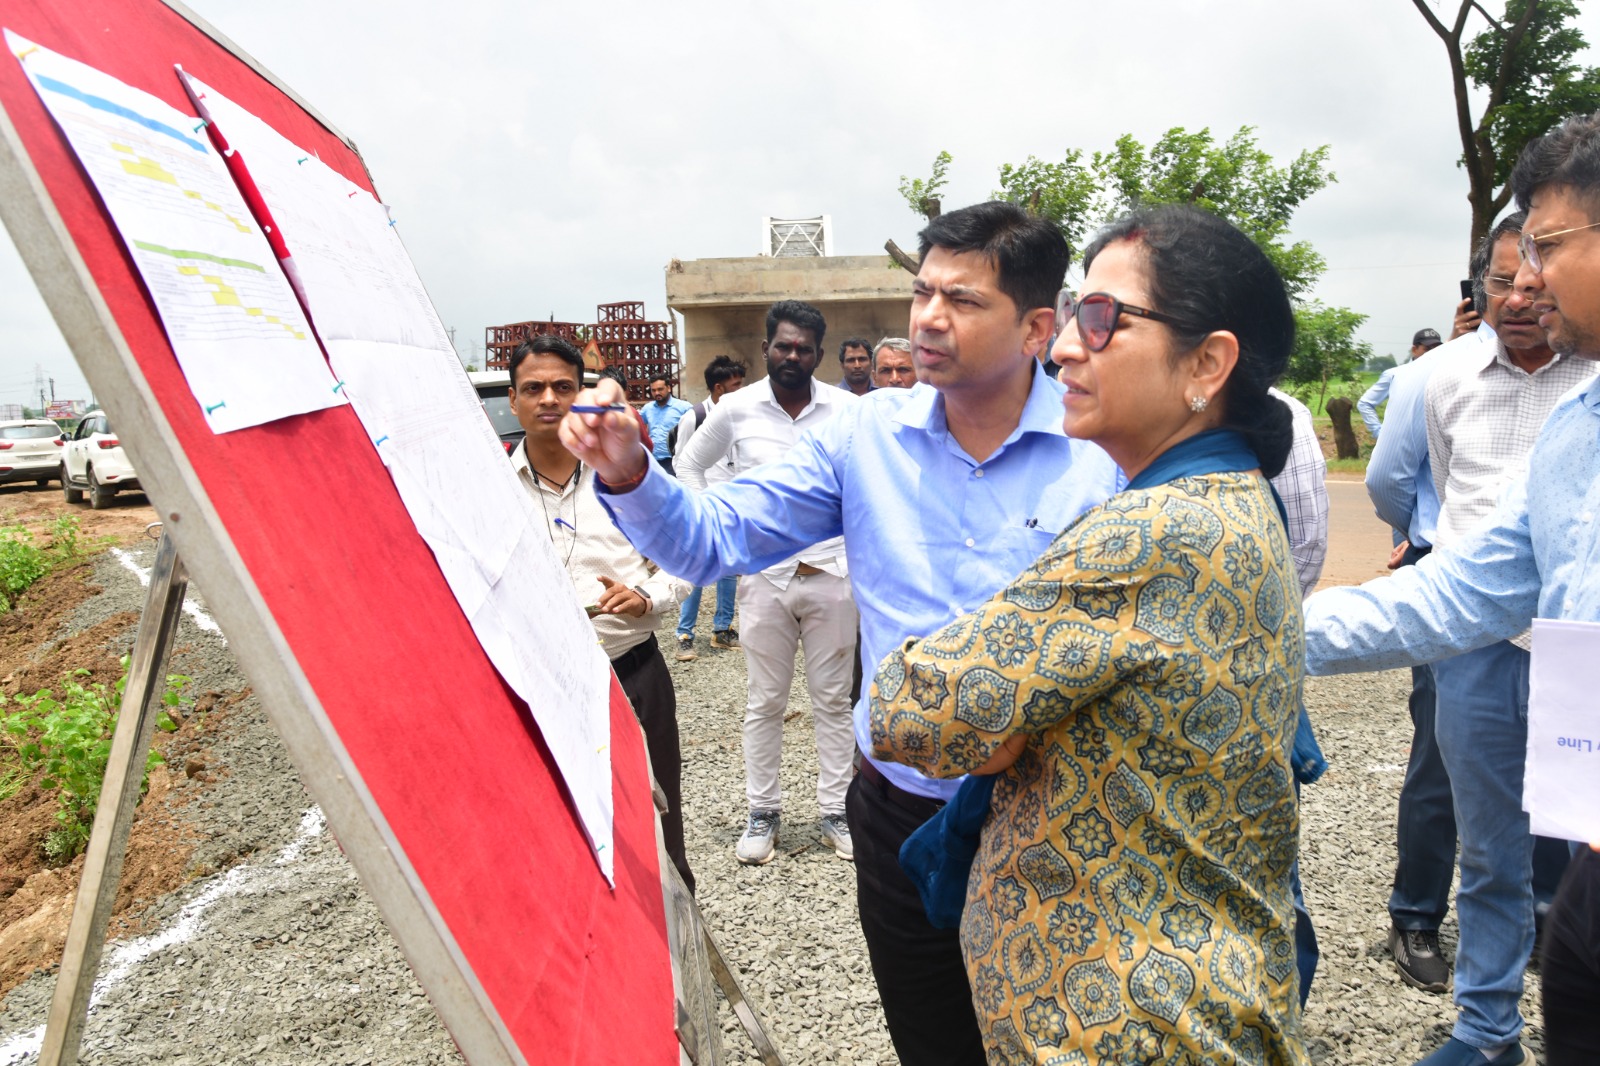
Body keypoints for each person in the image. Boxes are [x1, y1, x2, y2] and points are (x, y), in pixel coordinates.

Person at [561, 201, 1122, 1066]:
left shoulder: (1105, 452)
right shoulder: (866, 437)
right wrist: (631, 471)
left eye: (964, 302)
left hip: (1053, 816)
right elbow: (712, 541)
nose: (930, 318)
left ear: (1038, 326)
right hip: (898, 810)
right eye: (924, 293)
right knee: (931, 1037)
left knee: (1061, 1039)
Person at [871, 205, 1308, 1064]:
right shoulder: (1225, 494)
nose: (1067, 346)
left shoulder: (1153, 532)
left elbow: (909, 708)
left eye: (1103, 320)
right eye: (1074, 314)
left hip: (1125, 1021)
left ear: (1208, 364)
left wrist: (1007, 723)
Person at [1301, 110, 1600, 1066]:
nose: (1530, 278)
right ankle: (1489, 1031)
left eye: (1549, 246)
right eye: (1515, 260)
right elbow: (1459, 594)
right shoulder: (1577, 436)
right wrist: (1252, 624)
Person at [1423, 209, 1588, 1038]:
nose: (1524, 294)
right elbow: (1422, 491)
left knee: (1577, 855)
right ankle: (1486, 1028)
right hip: (1478, 648)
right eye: (1506, 278)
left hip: (1574, 651)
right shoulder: (1446, 376)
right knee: (1490, 851)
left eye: (1542, 266)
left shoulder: (1588, 387)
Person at [507, 335, 695, 891]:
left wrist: (647, 598)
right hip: (536, 684)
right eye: (533, 388)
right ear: (514, 401)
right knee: (556, 826)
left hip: (632, 671)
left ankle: (678, 950)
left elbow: (685, 560)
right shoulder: (490, 490)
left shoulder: (629, 477)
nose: (548, 399)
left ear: (580, 397)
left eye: (563, 387)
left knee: (657, 817)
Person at [676, 301, 860, 866]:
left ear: (819, 355)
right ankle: (764, 812)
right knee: (765, 702)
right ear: (766, 350)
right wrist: (721, 523)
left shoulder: (848, 410)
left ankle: (836, 811)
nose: (793, 356)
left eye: (804, 348)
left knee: (833, 701)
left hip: (832, 574)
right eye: (783, 346)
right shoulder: (735, 409)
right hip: (765, 577)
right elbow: (688, 465)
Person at [671, 355, 747, 661]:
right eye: (736, 385)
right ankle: (685, 634)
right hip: (702, 505)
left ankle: (722, 630)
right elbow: (680, 461)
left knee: (729, 569)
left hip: (731, 502)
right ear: (719, 388)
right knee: (699, 569)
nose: (742, 390)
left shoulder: (742, 415)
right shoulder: (695, 416)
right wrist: (696, 500)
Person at [1358, 328, 1443, 441]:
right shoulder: (1395, 375)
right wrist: (1379, 433)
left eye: (1436, 349)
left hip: (1435, 444)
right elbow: (1365, 403)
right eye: (1427, 349)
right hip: (1404, 443)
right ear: (1414, 349)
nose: (1432, 353)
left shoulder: (1443, 375)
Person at [640, 373, 692, 475]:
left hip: (674, 462)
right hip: (653, 461)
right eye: (653, 390)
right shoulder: (647, 409)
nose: (657, 393)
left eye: (660, 389)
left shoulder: (684, 408)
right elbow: (637, 424)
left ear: (668, 388)